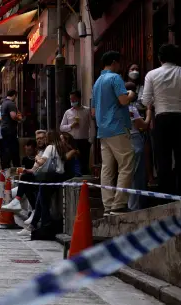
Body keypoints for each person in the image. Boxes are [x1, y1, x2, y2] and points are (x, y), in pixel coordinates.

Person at [141, 43, 181, 196]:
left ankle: (165, 195)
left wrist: (156, 102)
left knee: (163, 158)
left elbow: (145, 100)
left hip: (162, 118)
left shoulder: (152, 74)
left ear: (159, 58)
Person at [3, 131, 78, 236]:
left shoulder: (51, 148)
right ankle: (34, 225)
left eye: (44, 137)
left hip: (50, 178)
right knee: (40, 199)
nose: (42, 140)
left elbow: (41, 162)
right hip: (54, 178)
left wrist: (37, 157)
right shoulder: (60, 149)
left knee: (42, 201)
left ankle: (41, 224)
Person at [93, 50, 136, 215]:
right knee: (126, 164)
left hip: (103, 129)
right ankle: (119, 203)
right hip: (117, 126)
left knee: (107, 168)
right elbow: (124, 100)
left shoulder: (97, 82)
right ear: (113, 62)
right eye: (118, 63)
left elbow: (92, 111)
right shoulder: (115, 78)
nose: (120, 66)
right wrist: (131, 94)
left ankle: (108, 205)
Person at [125, 81, 150, 210]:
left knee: (129, 173)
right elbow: (143, 125)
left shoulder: (117, 108)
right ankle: (134, 206)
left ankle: (133, 204)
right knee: (137, 175)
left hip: (123, 140)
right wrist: (149, 112)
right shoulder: (131, 109)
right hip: (135, 139)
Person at [59, 90, 91, 176]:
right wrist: (71, 126)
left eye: (74, 99)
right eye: (71, 100)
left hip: (84, 140)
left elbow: (92, 125)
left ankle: (84, 178)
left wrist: (91, 138)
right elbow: (61, 127)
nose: (72, 101)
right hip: (71, 141)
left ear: (79, 99)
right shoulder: (68, 112)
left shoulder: (87, 111)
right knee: (72, 161)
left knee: (84, 161)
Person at [0, 89, 22, 175]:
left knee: (6, 147)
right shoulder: (11, 104)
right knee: (14, 148)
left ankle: (6, 166)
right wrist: (19, 119)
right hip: (10, 129)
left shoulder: (3, 103)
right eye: (16, 96)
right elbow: (13, 116)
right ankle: (16, 166)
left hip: (4, 128)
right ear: (14, 95)